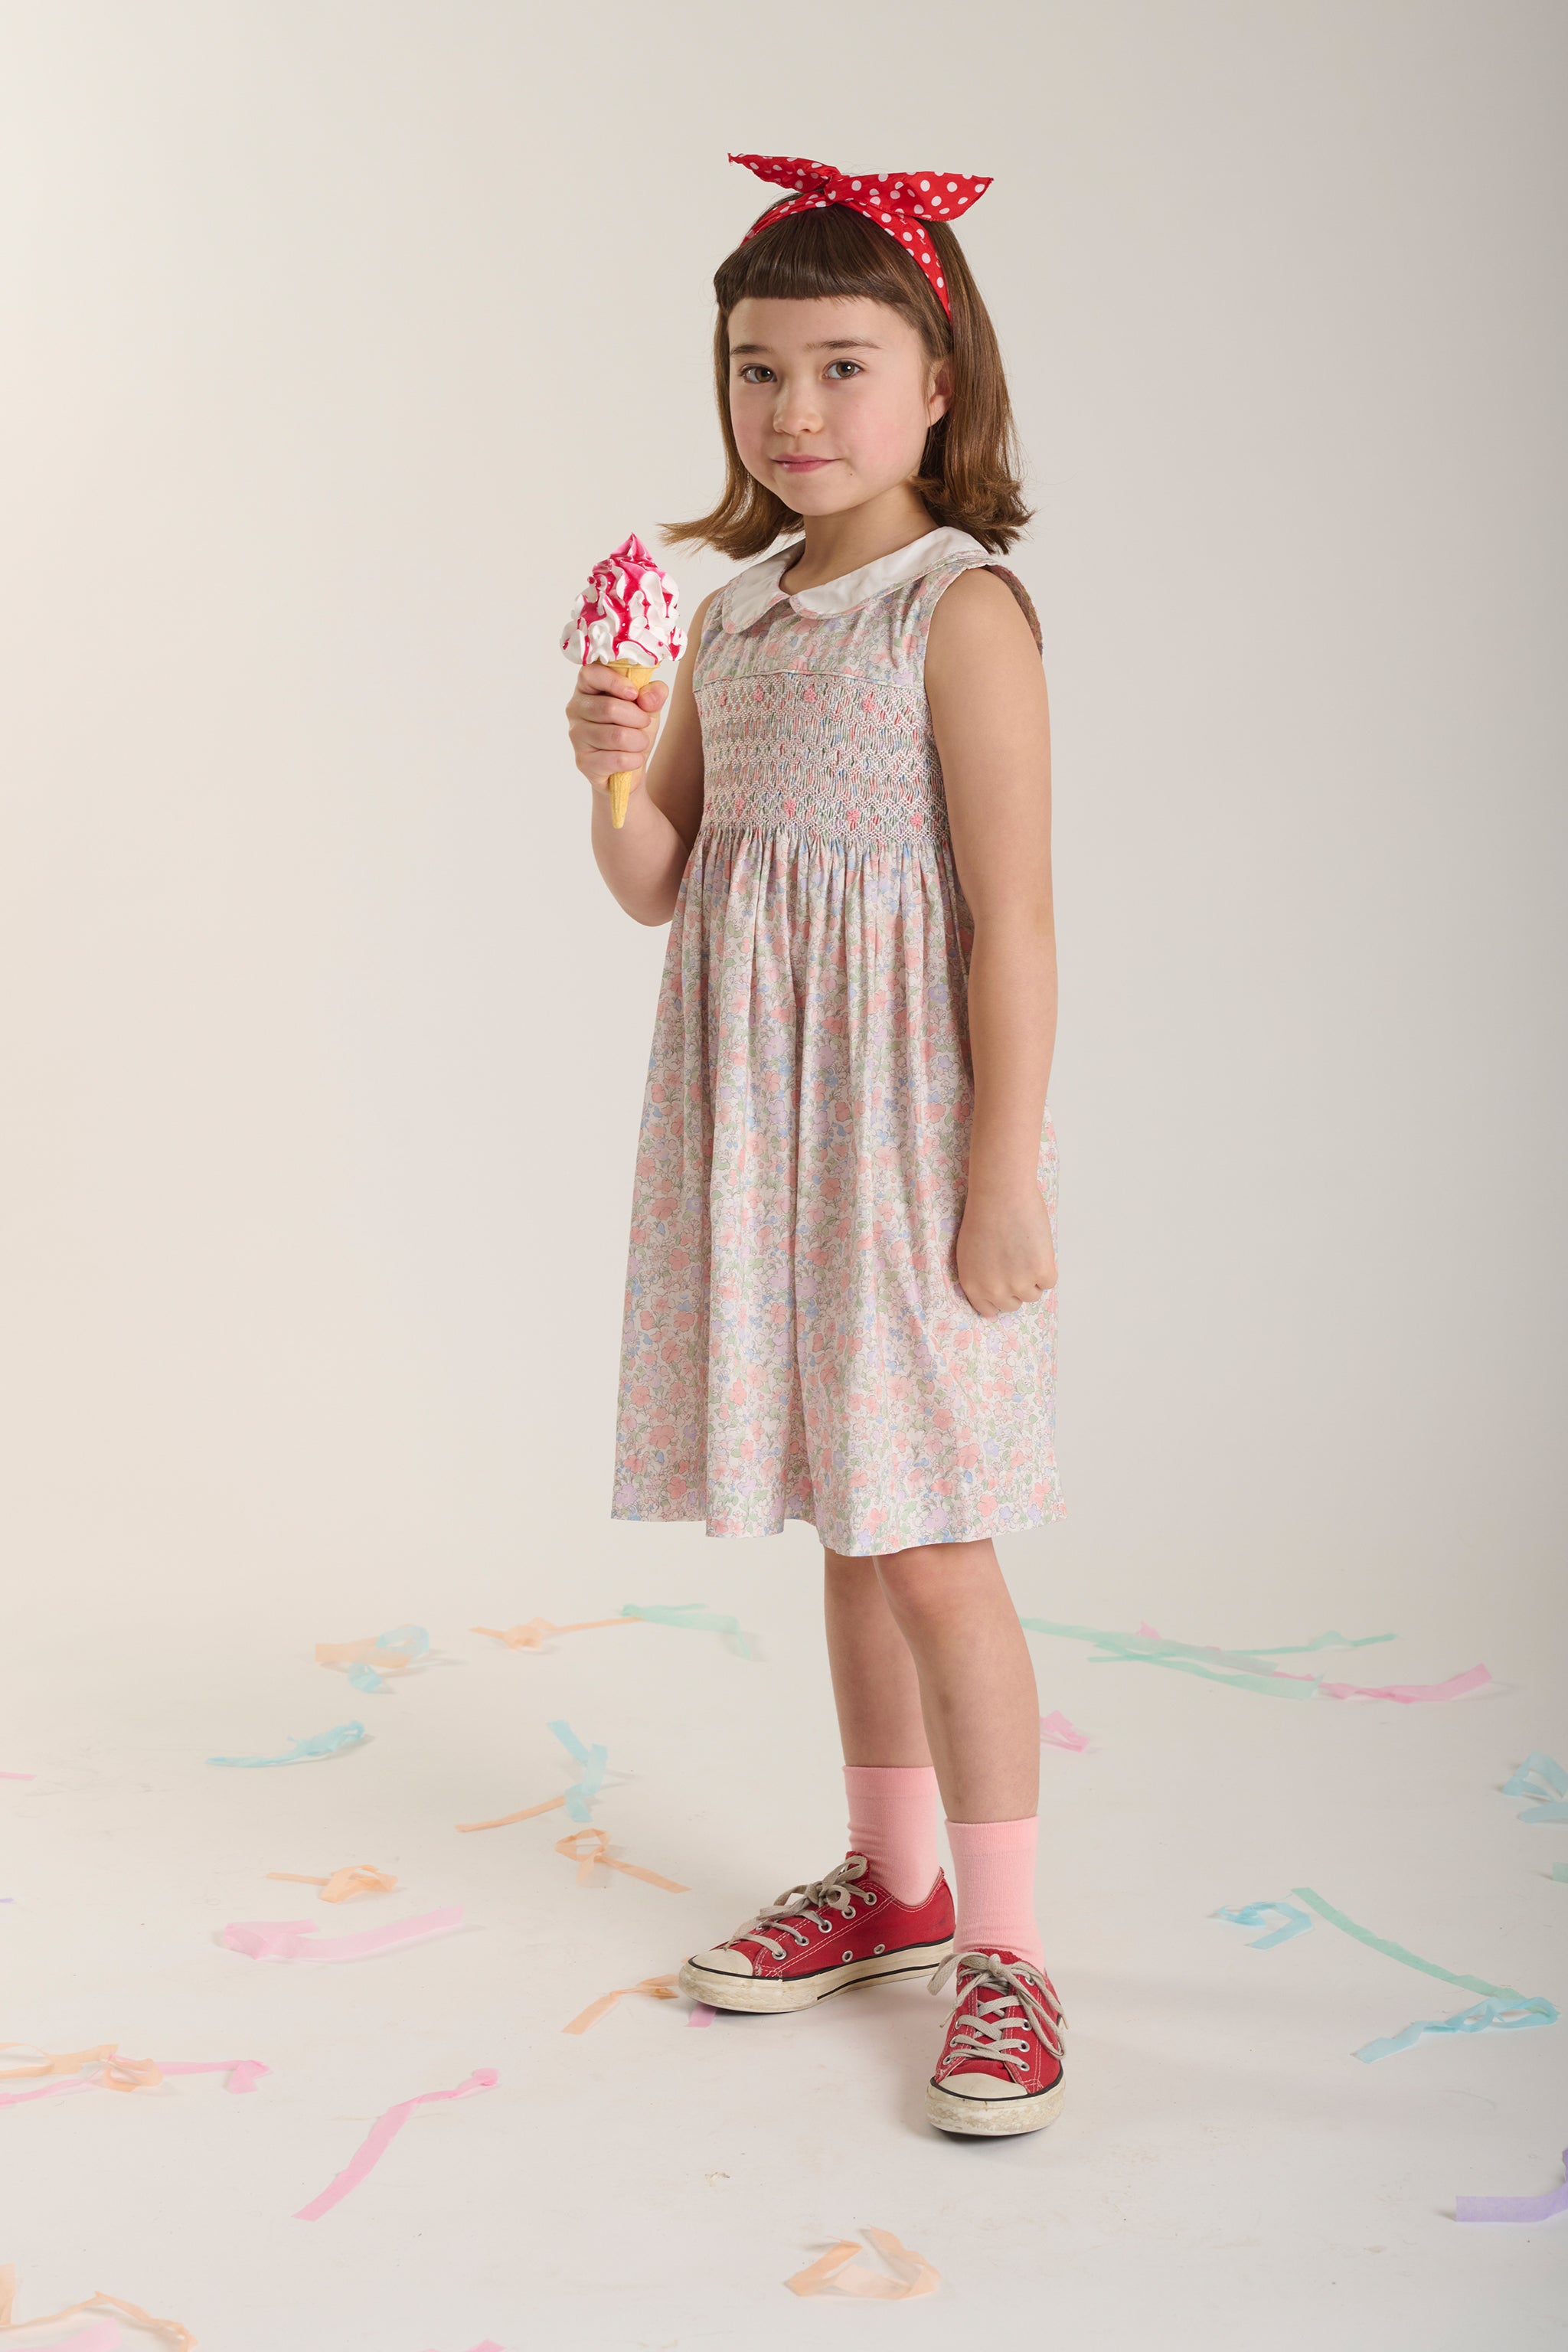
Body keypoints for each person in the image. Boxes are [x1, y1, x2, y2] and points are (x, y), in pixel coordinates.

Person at [564, 155, 1065, 2138]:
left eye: (841, 366)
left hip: (906, 1135)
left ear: (936, 380)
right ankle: (895, 1886)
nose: (792, 413)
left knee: (934, 1540)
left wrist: (1005, 1171)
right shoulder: (740, 614)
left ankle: (1009, 1953)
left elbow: (1015, 916)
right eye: (757, 371)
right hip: (762, 1124)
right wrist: (611, 776)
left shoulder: (962, 614)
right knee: (847, 1536)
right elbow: (660, 882)